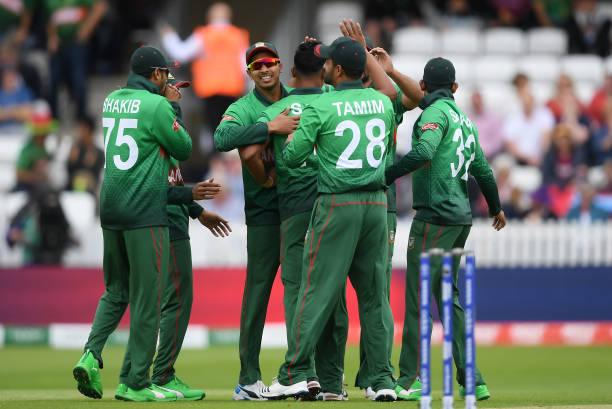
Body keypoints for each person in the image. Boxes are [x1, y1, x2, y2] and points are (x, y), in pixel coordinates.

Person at [261, 35, 397, 402]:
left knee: (315, 291)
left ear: (336, 69)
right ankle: (382, 379)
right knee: (374, 297)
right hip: (377, 205)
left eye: (328, 64)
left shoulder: (323, 105)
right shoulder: (381, 104)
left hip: (337, 203)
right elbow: (392, 96)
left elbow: (292, 157)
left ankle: (293, 373)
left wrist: (311, 155)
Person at [72, 45, 193, 402]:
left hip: (110, 207)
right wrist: (172, 105)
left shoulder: (111, 100)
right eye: (165, 74)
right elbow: (183, 147)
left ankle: (91, 354)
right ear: (156, 75)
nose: (169, 80)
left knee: (116, 290)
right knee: (148, 298)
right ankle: (136, 382)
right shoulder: (157, 105)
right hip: (144, 209)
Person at [385, 57, 506, 402]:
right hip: (460, 218)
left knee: (416, 298)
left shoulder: (434, 115)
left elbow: (424, 152)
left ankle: (410, 379)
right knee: (447, 297)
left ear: (423, 87)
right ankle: (473, 378)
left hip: (435, 217)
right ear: (455, 88)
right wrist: (496, 208)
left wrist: (386, 176)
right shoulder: (465, 121)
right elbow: (483, 171)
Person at [213, 41, 299, 400]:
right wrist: (270, 126)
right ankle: (248, 378)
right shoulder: (243, 106)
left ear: (280, 66)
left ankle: (313, 373)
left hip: (300, 206)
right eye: (256, 65)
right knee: (258, 293)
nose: (264, 69)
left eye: (270, 63)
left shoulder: (299, 97)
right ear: (249, 72)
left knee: (305, 291)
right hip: (264, 211)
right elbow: (221, 138)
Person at [351, 43, 423, 400]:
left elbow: (417, 97)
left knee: (376, 292)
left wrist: (390, 70)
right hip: (344, 202)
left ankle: (375, 373)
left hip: (383, 204)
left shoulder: (386, 99)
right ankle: (326, 378)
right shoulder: (338, 97)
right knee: (337, 296)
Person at [161, 2, 249, 149]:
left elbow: (181, 54)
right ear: (230, 16)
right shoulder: (238, 36)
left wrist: (168, 36)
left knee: (213, 130)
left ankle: (216, 163)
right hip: (232, 90)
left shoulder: (204, 35)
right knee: (230, 127)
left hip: (209, 90)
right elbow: (245, 67)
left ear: (209, 16)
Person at [45, 0, 108, 119]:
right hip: (58, 45)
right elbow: (51, 19)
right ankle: (53, 119)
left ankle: (81, 118)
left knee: (78, 81)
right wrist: (52, 37)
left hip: (76, 43)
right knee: (53, 81)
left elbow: (100, 7)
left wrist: (85, 31)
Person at [65, 115, 104, 194]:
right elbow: (69, 173)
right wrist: (71, 161)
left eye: (82, 129)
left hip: (89, 192)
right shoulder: (75, 149)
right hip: (72, 191)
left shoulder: (98, 152)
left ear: (89, 130)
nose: (79, 132)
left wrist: (92, 164)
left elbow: (97, 175)